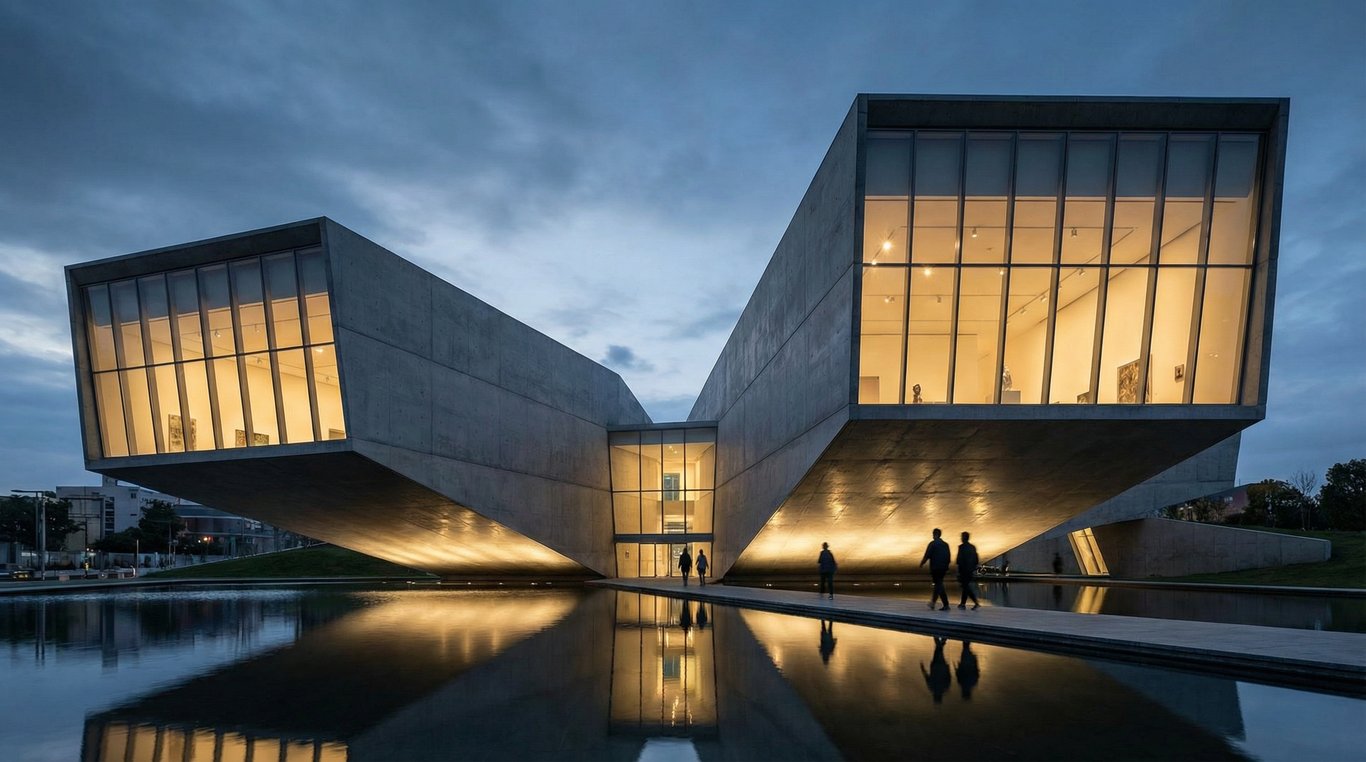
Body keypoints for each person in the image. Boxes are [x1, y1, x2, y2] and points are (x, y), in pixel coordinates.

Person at [919, 528, 951, 610]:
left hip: (935, 568)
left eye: (933, 534)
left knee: (939, 585)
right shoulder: (945, 544)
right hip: (943, 568)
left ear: (935, 534)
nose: (932, 535)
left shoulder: (932, 544)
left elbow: (927, 555)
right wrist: (946, 566)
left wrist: (922, 563)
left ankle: (946, 604)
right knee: (938, 584)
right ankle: (933, 603)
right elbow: (948, 557)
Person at [921, 636, 951, 704]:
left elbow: (949, 678)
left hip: (941, 667)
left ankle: (942, 639)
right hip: (936, 666)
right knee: (938, 650)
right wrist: (922, 668)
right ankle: (942, 638)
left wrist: (947, 668)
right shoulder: (933, 688)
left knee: (939, 650)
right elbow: (927, 677)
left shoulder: (944, 688)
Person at [956, 531, 980, 610]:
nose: (961, 538)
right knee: (965, 586)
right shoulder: (972, 547)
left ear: (964, 538)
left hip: (964, 570)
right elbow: (976, 559)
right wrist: (974, 567)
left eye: (962, 537)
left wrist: (958, 570)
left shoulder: (961, 547)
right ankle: (963, 604)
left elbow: (959, 559)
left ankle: (975, 602)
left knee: (965, 587)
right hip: (970, 570)